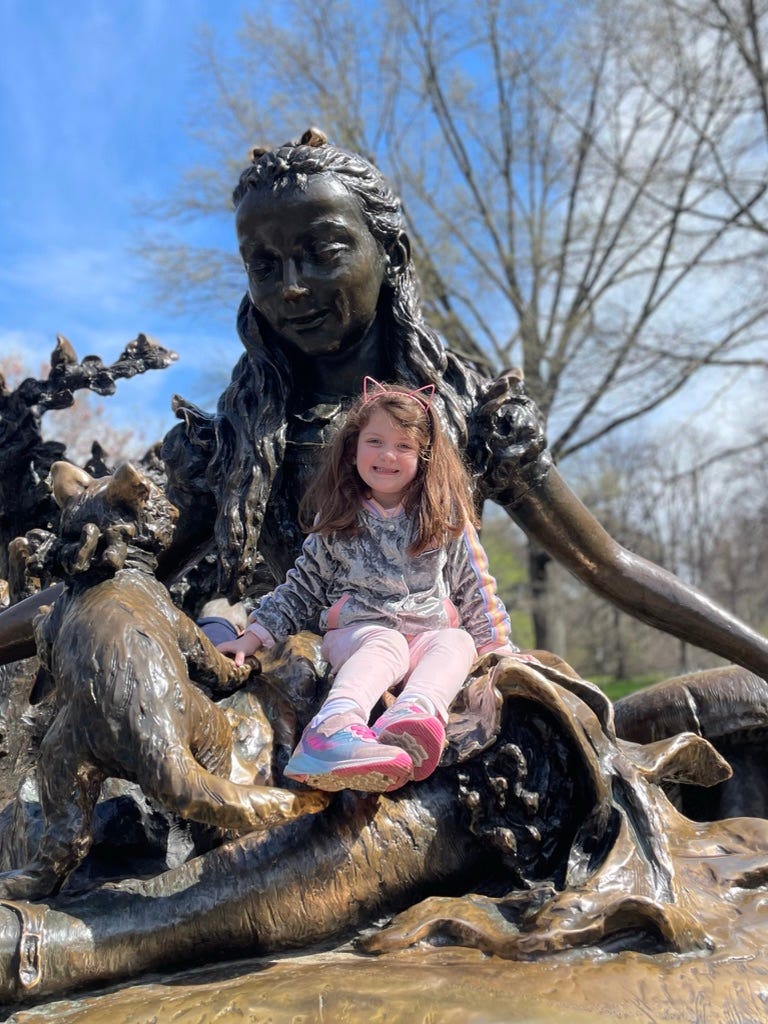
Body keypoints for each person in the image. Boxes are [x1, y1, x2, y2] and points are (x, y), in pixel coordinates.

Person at [218, 379, 524, 793]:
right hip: (360, 633)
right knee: (387, 644)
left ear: (425, 456)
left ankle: (415, 715)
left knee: (456, 643)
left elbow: (475, 587)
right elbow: (301, 587)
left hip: (425, 634)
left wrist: (498, 650)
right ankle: (331, 729)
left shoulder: (444, 517)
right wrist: (254, 635)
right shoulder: (339, 520)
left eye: (403, 446)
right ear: (353, 449)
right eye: (375, 441)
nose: (387, 455)